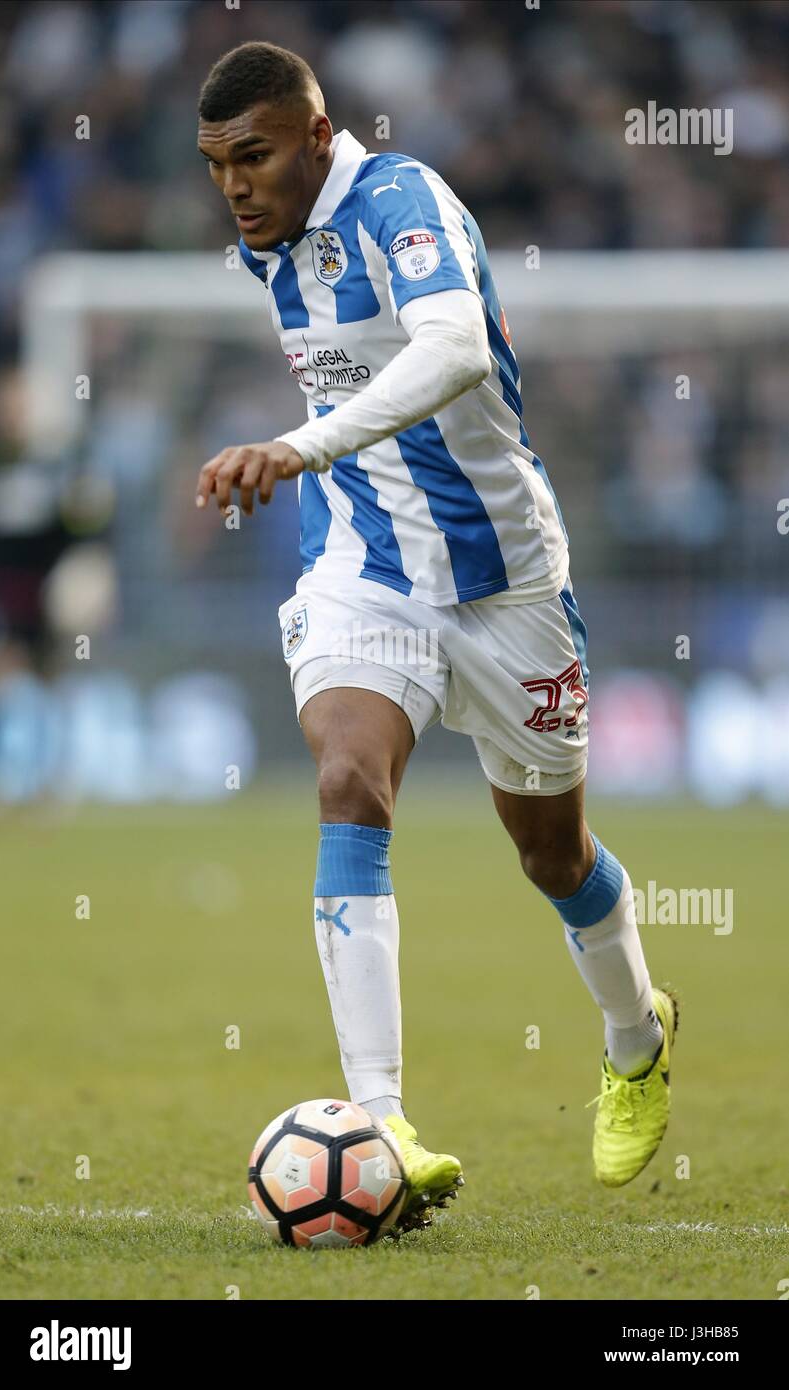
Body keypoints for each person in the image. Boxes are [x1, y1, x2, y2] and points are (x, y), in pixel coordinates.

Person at [195, 41, 678, 1235]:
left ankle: (635, 1039)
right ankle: (381, 1123)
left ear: (318, 135)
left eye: (253, 156)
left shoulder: (399, 200)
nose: (235, 187)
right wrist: (318, 466)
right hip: (361, 567)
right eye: (215, 166)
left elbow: (455, 347)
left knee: (551, 856)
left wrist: (298, 445)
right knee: (348, 779)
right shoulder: (268, 240)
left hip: (506, 582)